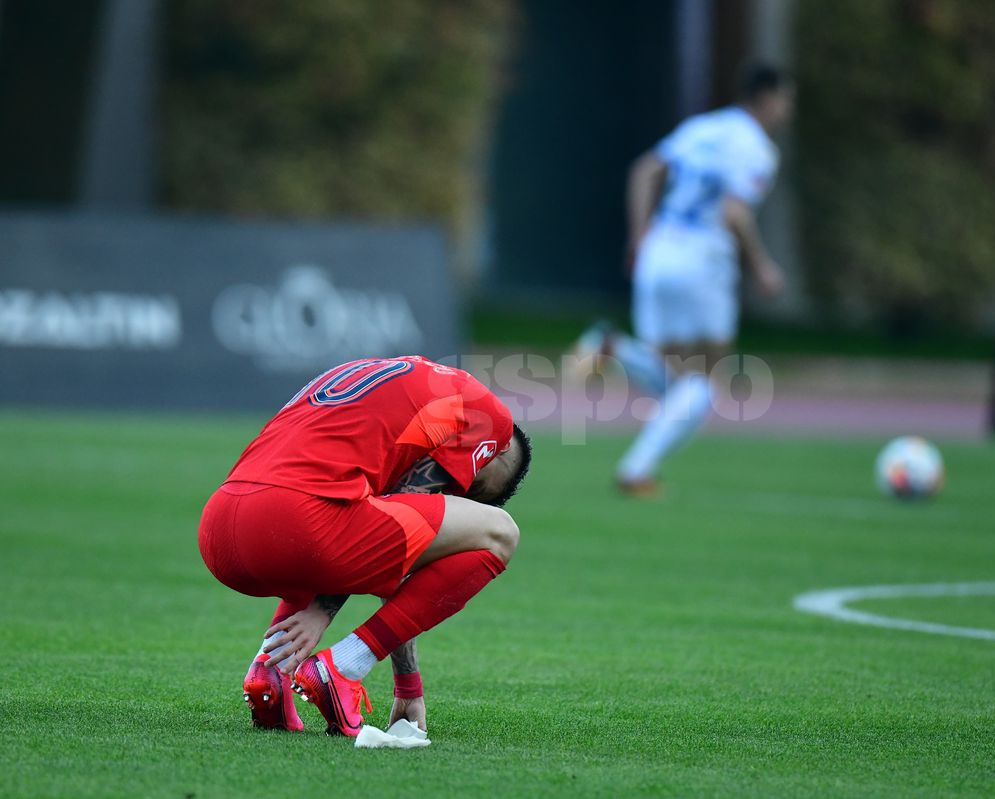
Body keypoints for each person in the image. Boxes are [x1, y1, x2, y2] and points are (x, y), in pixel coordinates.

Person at [198, 355, 532, 737]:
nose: (462, 497)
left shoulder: (378, 375)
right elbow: (406, 532)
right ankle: (340, 669)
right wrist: (406, 685)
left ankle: (270, 669)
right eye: (476, 489)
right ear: (497, 450)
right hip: (295, 526)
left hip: (219, 530)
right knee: (500, 532)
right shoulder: (493, 422)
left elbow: (371, 517)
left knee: (342, 504)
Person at [573, 62, 794, 496]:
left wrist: (638, 238)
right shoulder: (758, 149)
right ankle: (636, 469)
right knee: (706, 381)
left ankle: (612, 346)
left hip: (659, 250)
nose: (787, 112)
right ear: (767, 99)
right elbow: (733, 212)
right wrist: (761, 265)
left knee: (675, 377)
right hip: (703, 260)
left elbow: (644, 170)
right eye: (787, 101)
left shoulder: (701, 128)